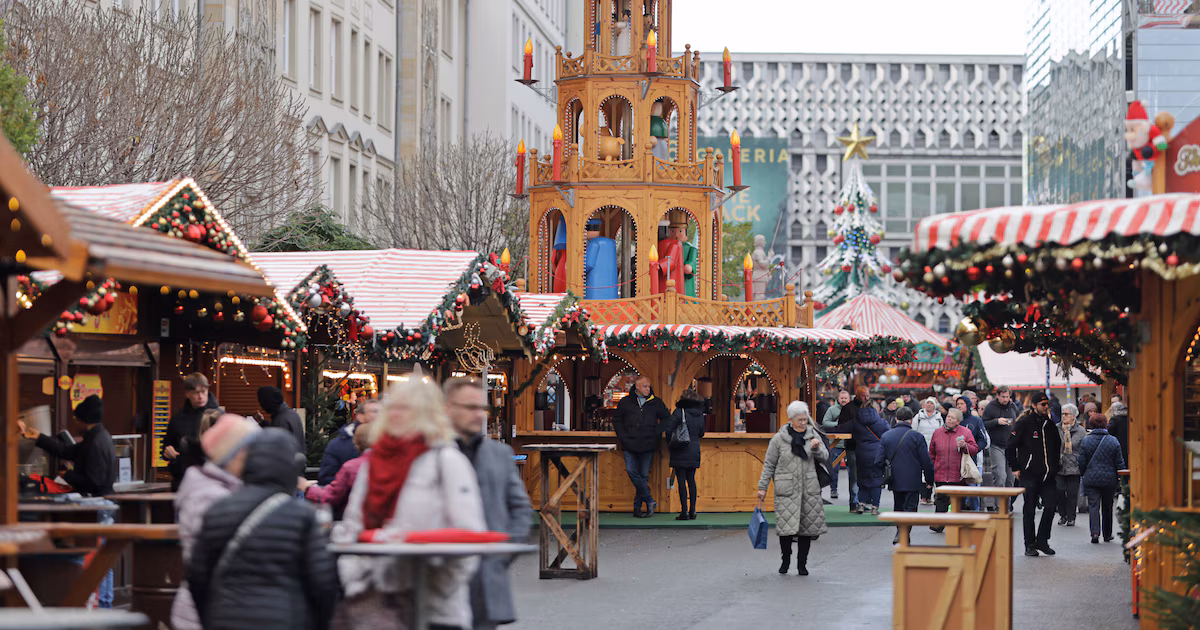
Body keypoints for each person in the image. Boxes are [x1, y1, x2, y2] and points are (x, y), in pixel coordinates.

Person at [333, 379, 485, 630]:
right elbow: (352, 527)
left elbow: (469, 533)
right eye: (392, 406)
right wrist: (354, 581)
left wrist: (435, 588)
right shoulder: (374, 463)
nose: (393, 413)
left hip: (435, 610)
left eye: (404, 408)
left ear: (425, 413)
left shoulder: (446, 460)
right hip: (375, 604)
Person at [187, 429, 337, 630]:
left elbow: (197, 577)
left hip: (226, 619)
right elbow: (322, 584)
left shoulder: (218, 510)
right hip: (284, 618)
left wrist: (212, 617)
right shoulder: (300, 515)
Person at [442, 378, 533, 630]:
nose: (478, 415)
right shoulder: (432, 453)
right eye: (469, 407)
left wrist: (503, 552)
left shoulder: (499, 454)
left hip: (486, 577)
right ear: (449, 408)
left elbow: (520, 508)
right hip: (442, 578)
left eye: (481, 408)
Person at [20, 394, 118, 607]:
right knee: (101, 557)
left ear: (84, 419)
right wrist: (39, 437)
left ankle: (103, 604)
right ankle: (102, 603)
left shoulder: (96, 441)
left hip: (98, 505)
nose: (75, 423)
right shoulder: (96, 436)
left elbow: (93, 481)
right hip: (101, 504)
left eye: (77, 419)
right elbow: (68, 450)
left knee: (99, 557)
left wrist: (68, 476)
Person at [172, 414, 261, 630]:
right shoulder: (209, 495)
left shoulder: (217, 487)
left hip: (214, 605)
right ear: (233, 454)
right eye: (249, 451)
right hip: (206, 610)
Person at [757, 401, 828, 576]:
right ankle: (785, 560)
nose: (803, 423)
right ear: (791, 420)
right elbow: (769, 464)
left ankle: (802, 564)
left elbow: (825, 457)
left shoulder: (813, 436)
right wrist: (762, 487)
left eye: (805, 419)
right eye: (800, 420)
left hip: (808, 488)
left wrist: (817, 448)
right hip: (786, 489)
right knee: (786, 529)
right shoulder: (778, 439)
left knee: (807, 529)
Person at [1006, 392, 1062, 557]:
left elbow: (1056, 446)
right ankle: (1029, 544)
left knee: (1051, 506)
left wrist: (1055, 466)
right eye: (1043, 405)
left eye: (1047, 405)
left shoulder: (1050, 424)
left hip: (1048, 475)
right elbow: (1010, 446)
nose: (1046, 407)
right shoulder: (1024, 423)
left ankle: (1042, 541)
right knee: (1029, 510)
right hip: (1029, 474)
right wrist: (1015, 467)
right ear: (1034, 405)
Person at [613, 376, 671, 517]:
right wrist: (623, 436)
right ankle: (649, 501)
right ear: (637, 387)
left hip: (648, 443)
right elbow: (617, 420)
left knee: (643, 475)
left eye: (648, 386)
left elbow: (667, 418)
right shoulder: (625, 402)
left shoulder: (655, 402)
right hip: (629, 442)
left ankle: (637, 508)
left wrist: (656, 431)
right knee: (631, 470)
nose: (648, 389)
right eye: (645, 386)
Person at [881, 407, 934, 544]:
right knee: (910, 507)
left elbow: (878, 459)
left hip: (895, 478)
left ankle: (900, 531)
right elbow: (926, 461)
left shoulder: (887, 436)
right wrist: (929, 480)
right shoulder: (917, 436)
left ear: (896, 419)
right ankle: (904, 532)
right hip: (913, 479)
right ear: (911, 420)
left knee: (898, 506)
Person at [301, 424, 373, 520]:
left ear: (356, 442)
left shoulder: (351, 467)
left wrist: (307, 488)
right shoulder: (393, 463)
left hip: (355, 520)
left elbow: (332, 496)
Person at [163, 373, 221, 491]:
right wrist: (168, 452)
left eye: (203, 392)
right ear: (187, 394)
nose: (200, 396)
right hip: (182, 480)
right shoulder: (178, 418)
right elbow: (166, 446)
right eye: (196, 393)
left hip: (210, 481)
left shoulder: (218, 417)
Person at [1078, 413, 1127, 544]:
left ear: (1091, 424)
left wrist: (1084, 473)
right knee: (1107, 506)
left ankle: (1094, 533)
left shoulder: (1086, 440)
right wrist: (1119, 477)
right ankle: (1107, 534)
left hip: (1091, 479)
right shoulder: (1113, 441)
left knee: (1093, 506)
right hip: (1109, 479)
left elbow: (1081, 461)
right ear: (1105, 424)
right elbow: (1119, 462)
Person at [928, 408, 979, 531]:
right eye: (948, 417)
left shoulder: (965, 432)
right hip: (941, 472)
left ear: (958, 421)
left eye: (952, 418)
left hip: (958, 474)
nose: (949, 419)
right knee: (941, 500)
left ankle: (958, 525)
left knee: (959, 501)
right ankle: (939, 524)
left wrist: (965, 446)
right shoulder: (937, 432)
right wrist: (932, 469)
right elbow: (932, 453)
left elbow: (974, 449)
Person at [844, 386, 889, 515]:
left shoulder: (856, 421)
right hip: (877, 453)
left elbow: (840, 428)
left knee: (862, 479)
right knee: (876, 480)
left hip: (861, 453)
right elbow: (888, 435)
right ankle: (875, 507)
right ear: (875, 410)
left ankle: (860, 505)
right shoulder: (881, 422)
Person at [663, 388, 706, 520]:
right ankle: (693, 511)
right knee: (691, 480)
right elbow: (701, 433)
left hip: (680, 448)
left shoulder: (679, 412)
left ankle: (684, 512)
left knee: (681, 480)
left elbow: (668, 429)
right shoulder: (699, 414)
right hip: (694, 448)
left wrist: (671, 443)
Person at [318, 400, 380, 486]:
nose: (380, 415)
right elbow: (327, 479)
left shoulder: (391, 440)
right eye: (375, 411)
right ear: (360, 417)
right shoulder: (339, 445)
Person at [982, 385, 1021, 511]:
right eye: (1003, 397)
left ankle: (1007, 505)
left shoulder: (1013, 406)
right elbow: (983, 423)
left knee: (1010, 479)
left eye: (1007, 397)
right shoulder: (991, 407)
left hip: (1011, 446)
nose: (1005, 399)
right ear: (997, 396)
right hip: (996, 445)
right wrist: (996, 421)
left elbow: (1019, 420)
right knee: (1000, 476)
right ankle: (999, 507)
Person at [821, 390, 856, 506]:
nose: (844, 400)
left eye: (846, 398)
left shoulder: (853, 410)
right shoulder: (832, 410)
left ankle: (853, 494)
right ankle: (833, 489)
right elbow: (825, 422)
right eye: (842, 398)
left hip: (850, 443)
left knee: (853, 470)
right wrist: (839, 426)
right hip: (836, 443)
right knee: (833, 468)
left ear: (849, 399)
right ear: (838, 399)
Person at [956, 395, 989, 511]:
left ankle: (976, 512)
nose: (959, 406)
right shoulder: (953, 420)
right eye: (958, 404)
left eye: (962, 404)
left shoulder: (976, 421)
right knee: (957, 490)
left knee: (972, 488)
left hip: (970, 459)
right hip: (955, 459)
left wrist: (973, 449)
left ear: (968, 406)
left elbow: (983, 440)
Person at [1055, 404, 1085, 527]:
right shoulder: (1056, 428)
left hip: (1074, 466)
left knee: (1072, 494)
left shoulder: (1080, 431)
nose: (1064, 416)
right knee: (1059, 491)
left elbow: (1084, 448)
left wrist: (1079, 460)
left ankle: (1071, 517)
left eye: (1066, 414)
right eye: (1062, 414)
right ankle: (1063, 515)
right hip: (1059, 465)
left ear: (1073, 416)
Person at [257, 386, 305, 457]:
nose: (262, 407)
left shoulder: (281, 420)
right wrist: (263, 422)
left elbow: (277, 447)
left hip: (285, 465)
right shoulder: (291, 414)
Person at [912, 397, 944, 505]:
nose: (929, 405)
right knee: (922, 472)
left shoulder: (939, 417)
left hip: (935, 448)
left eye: (931, 403)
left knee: (932, 470)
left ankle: (931, 495)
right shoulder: (918, 417)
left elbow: (942, 432)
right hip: (921, 447)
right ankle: (923, 496)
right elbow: (913, 431)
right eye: (927, 403)